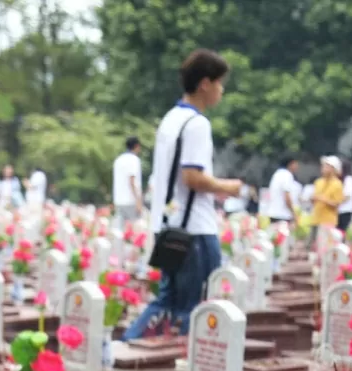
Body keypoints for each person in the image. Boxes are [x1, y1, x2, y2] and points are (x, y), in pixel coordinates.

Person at [123, 49, 240, 340]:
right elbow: (192, 177)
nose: (221, 91)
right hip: (196, 231)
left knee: (166, 302)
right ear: (205, 84)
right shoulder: (197, 124)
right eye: (219, 83)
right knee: (195, 308)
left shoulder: (171, 119)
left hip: (169, 226)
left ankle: (126, 349)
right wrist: (228, 187)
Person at [112, 136, 143, 226]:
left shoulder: (118, 160)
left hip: (119, 200)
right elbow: (132, 181)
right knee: (135, 229)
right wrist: (138, 201)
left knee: (120, 230)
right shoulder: (134, 160)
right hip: (131, 201)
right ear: (137, 146)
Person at [311, 156, 343, 241]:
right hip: (316, 219)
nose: (323, 168)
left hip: (328, 221)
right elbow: (314, 201)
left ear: (333, 169)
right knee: (314, 247)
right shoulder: (318, 182)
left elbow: (336, 204)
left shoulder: (337, 184)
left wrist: (323, 199)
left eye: (326, 166)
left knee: (325, 248)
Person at [263, 158, 301, 224]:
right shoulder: (287, 175)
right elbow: (287, 197)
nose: (297, 166)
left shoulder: (277, 174)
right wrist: (294, 214)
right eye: (296, 164)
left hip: (273, 213)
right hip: (283, 215)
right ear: (290, 164)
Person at [336, 160, 352, 232]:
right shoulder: (339, 180)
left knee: (342, 231)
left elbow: (347, 196)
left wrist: (336, 202)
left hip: (345, 210)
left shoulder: (349, 180)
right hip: (338, 211)